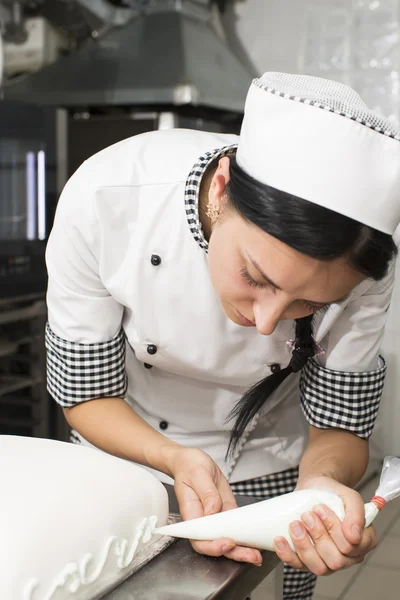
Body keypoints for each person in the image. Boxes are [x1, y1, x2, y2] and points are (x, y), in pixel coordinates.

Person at [45, 72, 400, 600]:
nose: (263, 322)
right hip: (126, 456)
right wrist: (173, 458)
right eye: (255, 277)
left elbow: (339, 425)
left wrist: (321, 485)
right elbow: (84, 393)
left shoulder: (366, 275)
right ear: (221, 188)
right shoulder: (107, 199)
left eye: (309, 305)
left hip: (272, 465)